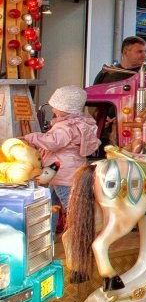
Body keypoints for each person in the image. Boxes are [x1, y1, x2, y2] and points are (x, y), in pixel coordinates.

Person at [21, 85, 102, 217]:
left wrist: (32, 138)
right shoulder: (79, 123)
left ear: (64, 109)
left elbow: (53, 142)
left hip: (61, 173)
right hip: (60, 172)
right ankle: (51, 231)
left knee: (69, 206)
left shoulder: (66, 127)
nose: (52, 109)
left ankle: (77, 232)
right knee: (49, 202)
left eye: (54, 106)